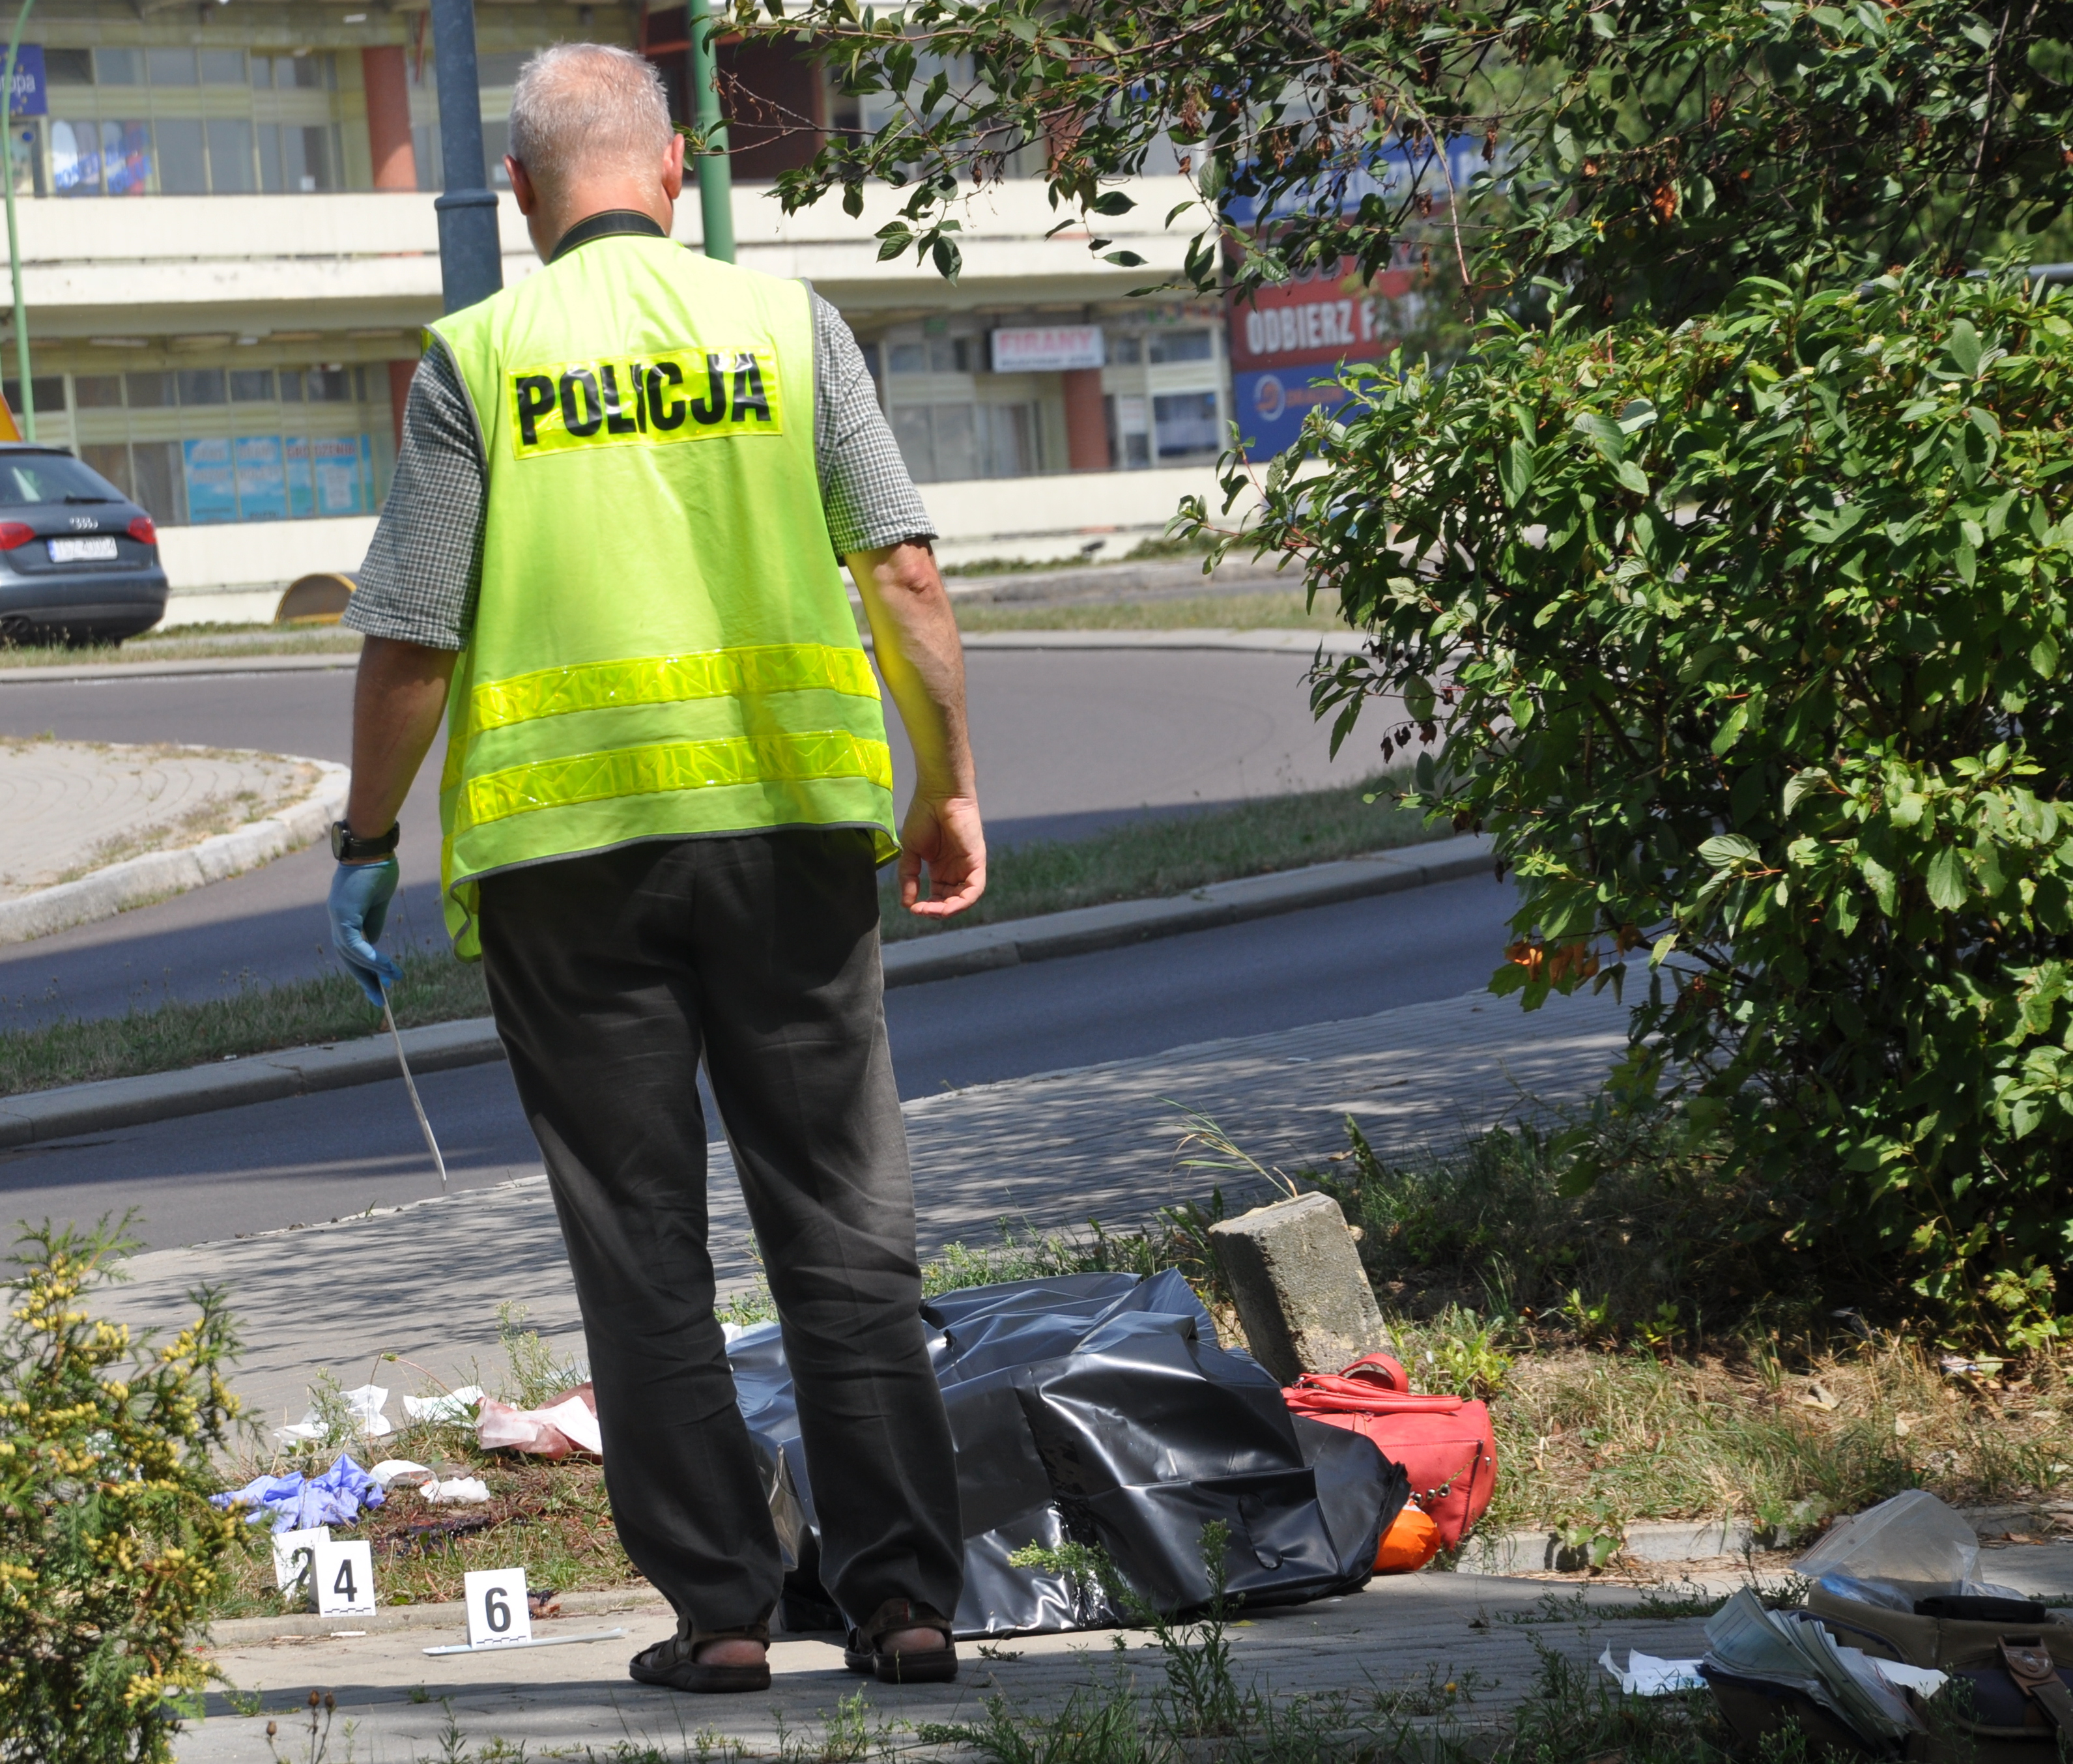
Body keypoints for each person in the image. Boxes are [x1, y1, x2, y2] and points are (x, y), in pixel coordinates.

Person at [324, 42, 984, 1695]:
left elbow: (417, 628)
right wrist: (946, 783)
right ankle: (904, 1603)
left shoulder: (478, 355)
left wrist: (362, 837)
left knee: (641, 1244)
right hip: (790, 844)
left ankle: (727, 1615)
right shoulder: (789, 328)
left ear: (526, 196)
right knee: (844, 1224)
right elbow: (900, 570)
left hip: (568, 875)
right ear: (676, 169)